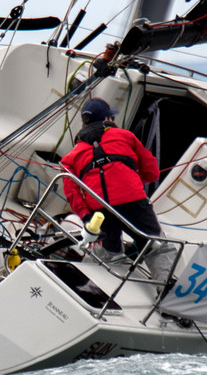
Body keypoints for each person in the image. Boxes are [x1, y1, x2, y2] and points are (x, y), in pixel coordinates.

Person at [61, 97, 163, 263]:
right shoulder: (125, 136)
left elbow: (72, 193)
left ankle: (114, 261)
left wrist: (86, 217)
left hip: (99, 211)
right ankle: (160, 282)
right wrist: (133, 180)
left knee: (111, 249)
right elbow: (152, 173)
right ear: (107, 119)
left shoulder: (71, 156)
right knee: (156, 244)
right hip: (133, 202)